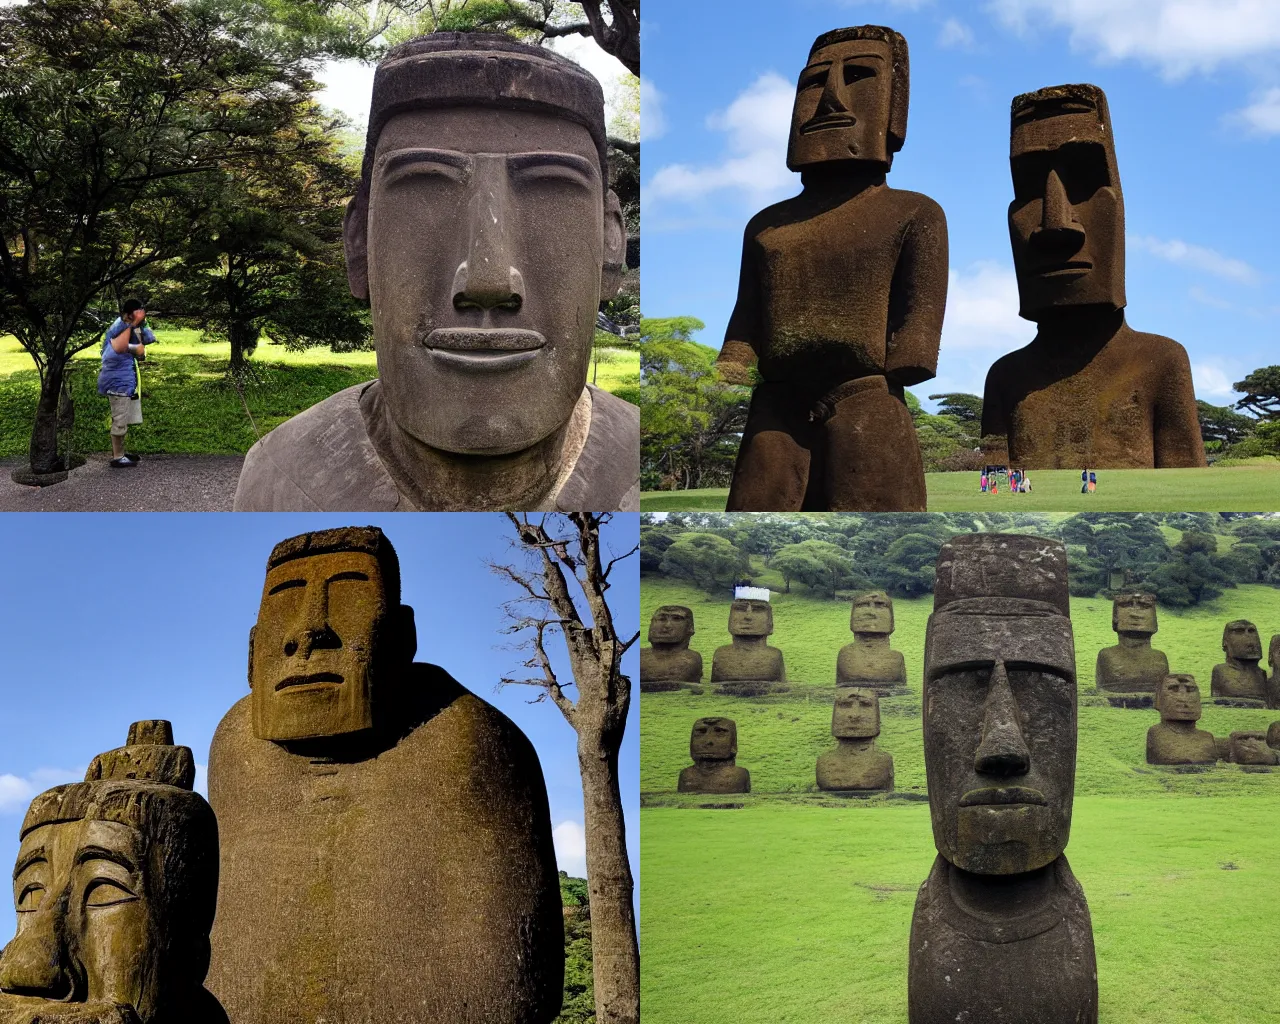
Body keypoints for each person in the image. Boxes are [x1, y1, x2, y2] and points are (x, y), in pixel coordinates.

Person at [97, 298, 154, 468]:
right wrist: (135, 326)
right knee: (119, 419)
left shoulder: (130, 326)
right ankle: (117, 457)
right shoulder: (120, 326)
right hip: (117, 382)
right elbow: (119, 349)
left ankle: (121, 453)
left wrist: (141, 324)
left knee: (124, 418)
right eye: (139, 311)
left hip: (125, 380)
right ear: (130, 314)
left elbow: (149, 339)